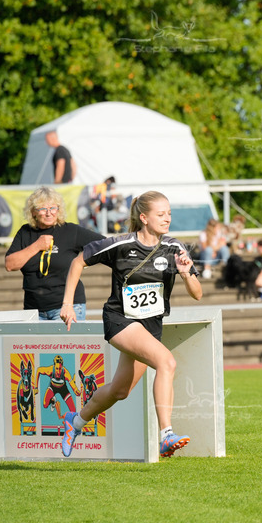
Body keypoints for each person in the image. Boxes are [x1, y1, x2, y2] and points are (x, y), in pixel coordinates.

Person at [60, 190, 203, 459]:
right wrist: (67, 303)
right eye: (161, 214)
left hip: (150, 326)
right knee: (167, 362)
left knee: (120, 390)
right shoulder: (120, 244)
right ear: (143, 217)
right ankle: (166, 435)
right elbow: (78, 261)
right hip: (120, 320)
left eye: (169, 213)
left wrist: (185, 273)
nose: (167, 219)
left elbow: (197, 294)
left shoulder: (175, 248)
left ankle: (74, 422)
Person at [5, 187, 104, 320]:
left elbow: (105, 245)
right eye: (43, 209)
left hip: (66, 308)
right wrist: (36, 246)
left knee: (64, 342)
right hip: (33, 311)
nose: (48, 213)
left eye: (53, 208)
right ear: (33, 212)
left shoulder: (70, 231)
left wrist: (83, 261)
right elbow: (10, 265)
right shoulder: (25, 232)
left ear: (59, 210)